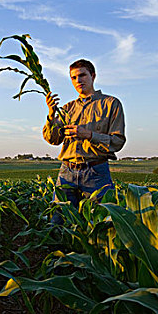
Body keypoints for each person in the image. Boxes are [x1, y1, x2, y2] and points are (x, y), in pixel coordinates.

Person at [43, 59, 126, 216]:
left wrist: (88, 135)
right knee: (58, 221)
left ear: (93, 76)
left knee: (101, 222)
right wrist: (51, 114)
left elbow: (117, 141)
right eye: (73, 78)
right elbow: (52, 139)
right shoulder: (67, 108)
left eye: (82, 75)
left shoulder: (111, 104)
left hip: (96, 172)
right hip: (66, 171)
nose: (78, 80)